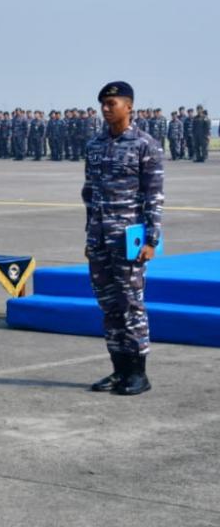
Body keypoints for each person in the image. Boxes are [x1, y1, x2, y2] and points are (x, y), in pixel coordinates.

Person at [82, 82, 163, 396]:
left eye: (111, 103)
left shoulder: (145, 144)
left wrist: (151, 240)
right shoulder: (95, 145)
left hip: (128, 239)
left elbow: (153, 196)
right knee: (109, 306)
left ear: (129, 106)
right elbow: (89, 194)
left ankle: (138, 373)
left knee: (131, 304)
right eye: (102, 104)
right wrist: (90, 236)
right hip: (100, 239)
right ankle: (119, 370)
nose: (105, 109)